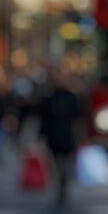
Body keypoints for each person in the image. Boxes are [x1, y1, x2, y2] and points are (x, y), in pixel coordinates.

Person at [39, 69, 83, 206]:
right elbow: (43, 119)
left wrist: (80, 135)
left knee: (65, 163)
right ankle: (59, 184)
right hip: (54, 136)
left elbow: (78, 118)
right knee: (56, 163)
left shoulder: (70, 97)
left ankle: (63, 184)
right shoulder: (48, 99)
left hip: (67, 135)